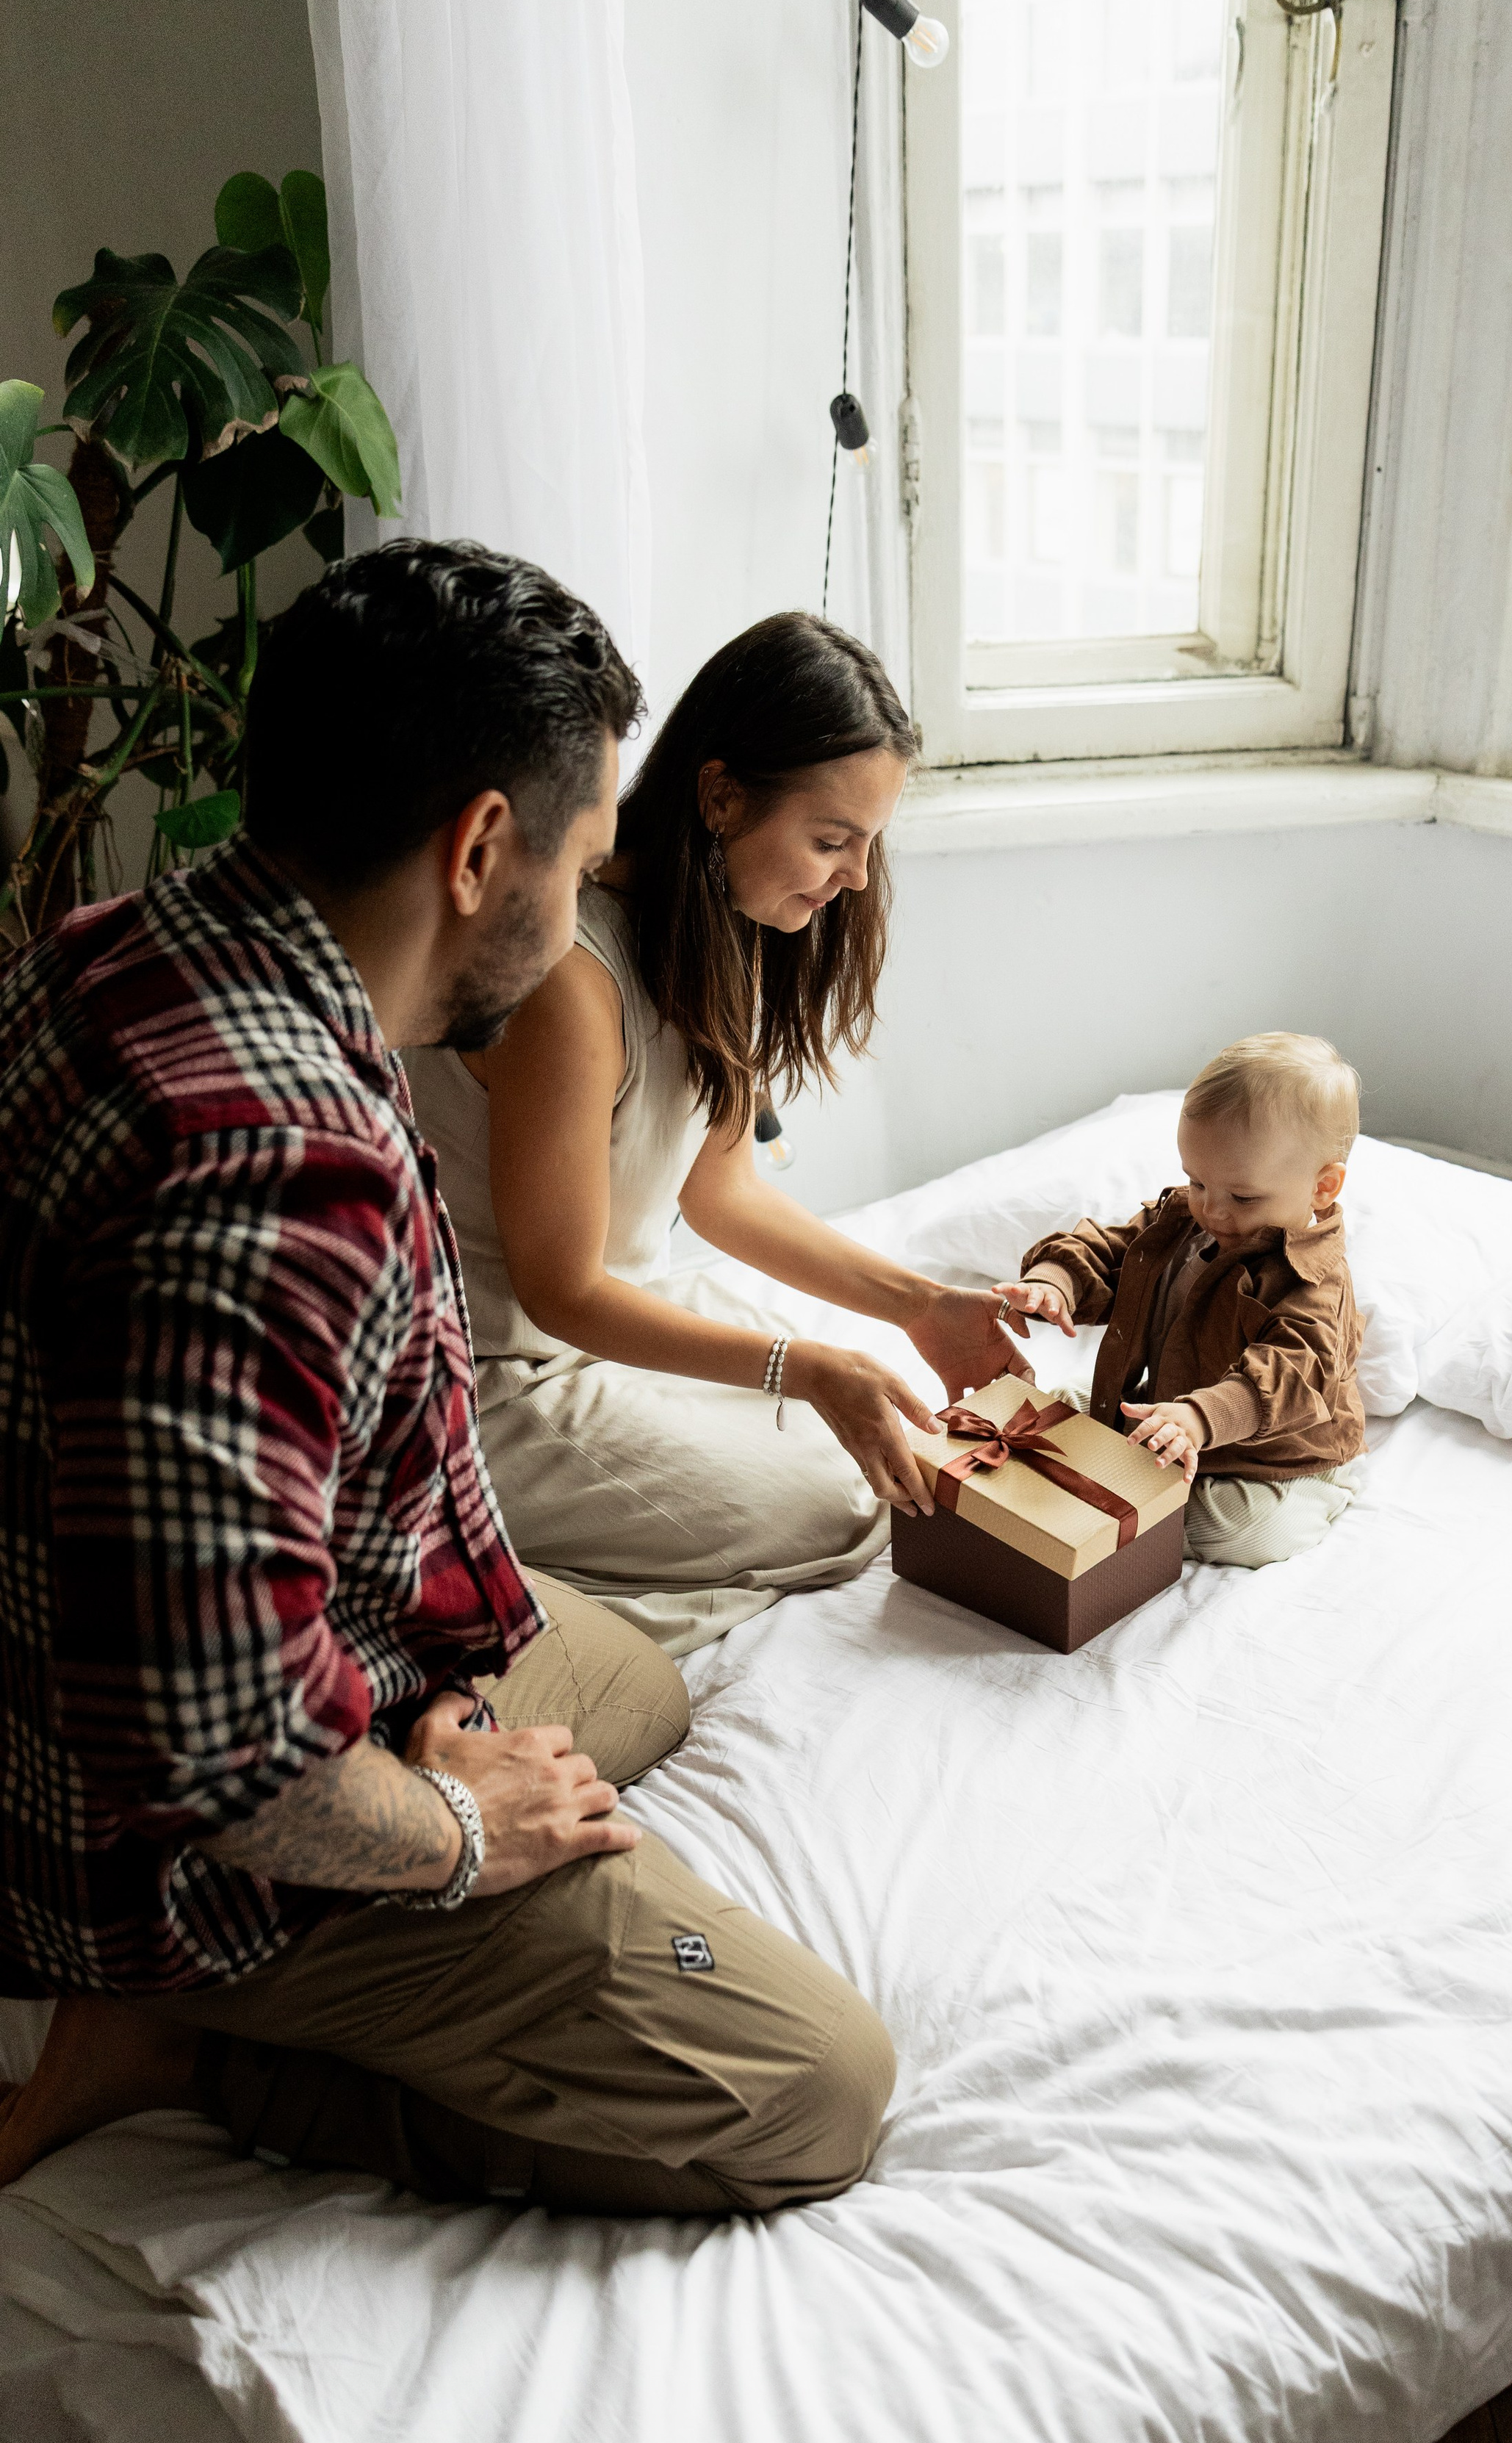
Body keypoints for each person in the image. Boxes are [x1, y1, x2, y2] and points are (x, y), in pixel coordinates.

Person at [0, 539, 893, 2217]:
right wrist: (458, 1823)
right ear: (485, 846)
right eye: (587, 859)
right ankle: (190, 2043)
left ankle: (420, 1761)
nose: (586, 904)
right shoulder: (271, 1167)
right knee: (813, 2089)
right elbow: (229, 1764)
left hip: (291, 1651)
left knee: (633, 1684)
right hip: (199, 1864)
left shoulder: (114, 945)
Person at [406, 611, 1053, 1655]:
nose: (850, 878)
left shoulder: (724, 933)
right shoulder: (571, 981)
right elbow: (560, 1291)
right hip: (499, 1378)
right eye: (831, 839)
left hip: (623, 1313)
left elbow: (723, 1195)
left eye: (867, 846)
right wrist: (802, 1370)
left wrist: (924, 1306)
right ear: (720, 796)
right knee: (832, 1493)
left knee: (887, 1426)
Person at [1008, 1034, 1367, 1569]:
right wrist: (1055, 1279)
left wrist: (1198, 1419)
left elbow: (1290, 1373)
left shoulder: (1311, 1283)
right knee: (1048, 1409)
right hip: (1169, 1411)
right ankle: (1133, 1475)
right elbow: (1112, 1254)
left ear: (1323, 1187)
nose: (1212, 1210)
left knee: (1245, 1532)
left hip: (1271, 1459)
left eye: (1242, 1197)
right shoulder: (1184, 1223)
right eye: (1196, 1181)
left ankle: (1318, 1493)